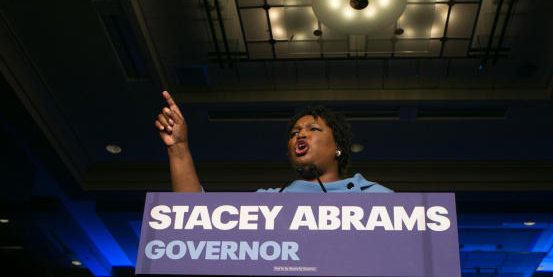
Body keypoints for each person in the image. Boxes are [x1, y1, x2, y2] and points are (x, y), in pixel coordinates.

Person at [154, 91, 390, 193]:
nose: (301, 135)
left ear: (338, 147)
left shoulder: (368, 193)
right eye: (294, 132)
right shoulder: (269, 202)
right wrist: (178, 148)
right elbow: (194, 219)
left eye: (313, 129)